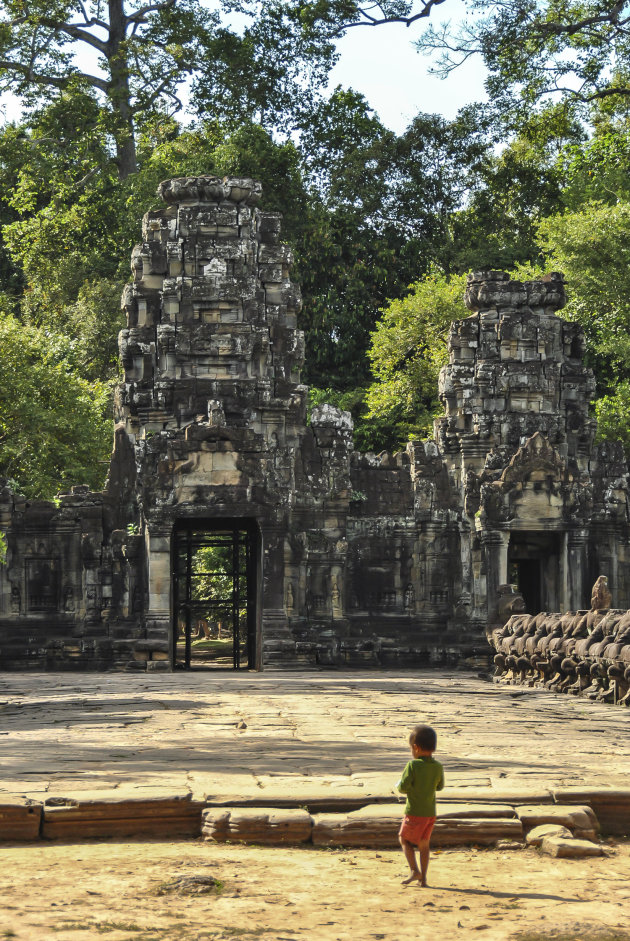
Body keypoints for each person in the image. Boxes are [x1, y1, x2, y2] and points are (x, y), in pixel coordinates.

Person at [396, 724, 444, 887]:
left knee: (404, 839)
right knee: (424, 844)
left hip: (414, 811)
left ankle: (414, 870)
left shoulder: (413, 765)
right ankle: (423, 879)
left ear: (415, 748)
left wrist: (401, 786)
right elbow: (440, 786)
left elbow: (403, 787)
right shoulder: (438, 766)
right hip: (430, 812)